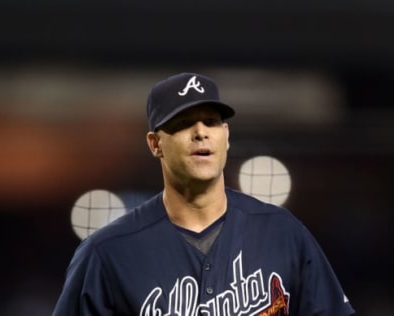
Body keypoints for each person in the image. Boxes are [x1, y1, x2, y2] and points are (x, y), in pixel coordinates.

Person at [52, 72, 355, 315]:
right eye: (184, 124)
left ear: (226, 136)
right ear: (155, 144)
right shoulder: (107, 253)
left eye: (211, 121)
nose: (201, 132)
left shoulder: (281, 232)